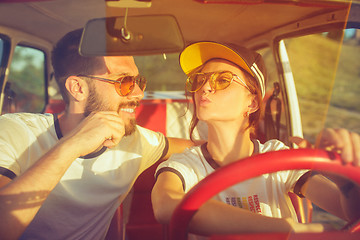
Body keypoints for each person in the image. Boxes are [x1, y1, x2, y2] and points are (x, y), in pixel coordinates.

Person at [0, 29, 195, 240]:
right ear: (78, 88)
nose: (139, 93)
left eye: (139, 81)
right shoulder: (15, 131)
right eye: (124, 82)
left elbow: (197, 148)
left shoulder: (135, 141)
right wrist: (73, 145)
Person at [151, 41, 360, 239]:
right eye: (199, 80)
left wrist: (343, 180)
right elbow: (166, 205)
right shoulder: (185, 165)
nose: (204, 88)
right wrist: (288, 230)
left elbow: (349, 212)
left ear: (251, 103)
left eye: (222, 80)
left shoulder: (278, 157)